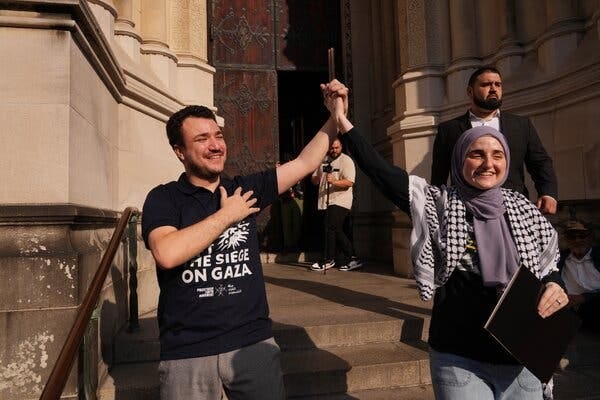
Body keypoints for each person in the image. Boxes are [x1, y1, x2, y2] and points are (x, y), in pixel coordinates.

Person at [322, 81, 569, 400]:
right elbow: (381, 172)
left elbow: (550, 266)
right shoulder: (436, 203)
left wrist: (555, 285)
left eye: (497, 155)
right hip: (460, 359)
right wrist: (341, 119)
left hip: (523, 359)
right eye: (476, 154)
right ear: (459, 160)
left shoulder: (525, 210)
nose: (488, 164)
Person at [141, 88, 343, 400]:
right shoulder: (164, 198)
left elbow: (304, 163)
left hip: (252, 345)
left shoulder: (244, 188)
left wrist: (335, 117)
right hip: (188, 351)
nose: (215, 145)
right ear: (180, 151)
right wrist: (227, 216)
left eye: (217, 135)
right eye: (202, 139)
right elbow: (167, 253)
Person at [430, 66, 559, 214]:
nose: (493, 89)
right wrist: (436, 208)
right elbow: (439, 174)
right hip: (466, 209)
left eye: (497, 84)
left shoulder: (521, 125)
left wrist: (548, 193)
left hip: (514, 208)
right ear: (470, 92)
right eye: (486, 85)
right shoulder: (449, 129)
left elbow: (540, 162)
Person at [310, 138, 363, 271]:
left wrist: (334, 181)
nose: (334, 150)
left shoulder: (346, 161)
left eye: (336, 148)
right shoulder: (323, 160)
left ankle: (328, 259)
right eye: (332, 148)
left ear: (341, 147)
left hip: (340, 200)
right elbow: (315, 180)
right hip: (325, 201)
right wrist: (315, 177)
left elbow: (349, 182)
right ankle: (352, 258)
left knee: (329, 227)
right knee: (335, 229)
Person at [559, 219, 600, 333]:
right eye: (572, 236)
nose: (577, 240)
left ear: (590, 238)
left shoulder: (598, 257)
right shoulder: (559, 259)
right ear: (566, 240)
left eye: (582, 236)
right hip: (567, 311)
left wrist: (584, 298)